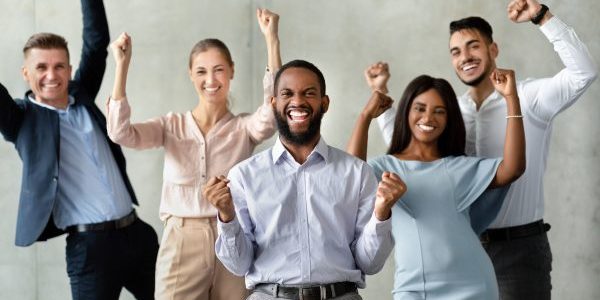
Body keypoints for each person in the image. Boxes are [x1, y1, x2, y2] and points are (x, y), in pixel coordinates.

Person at [372, 0, 597, 298]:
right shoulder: (449, 111)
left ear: (493, 49)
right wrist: (381, 98)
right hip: (462, 251)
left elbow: (583, 73)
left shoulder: (528, 97)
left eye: (473, 46)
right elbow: (412, 153)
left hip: (519, 250)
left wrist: (543, 17)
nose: (465, 57)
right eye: (456, 51)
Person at [107, 8, 283, 300]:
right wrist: (121, 66)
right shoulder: (170, 126)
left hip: (234, 237)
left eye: (218, 70)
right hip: (182, 240)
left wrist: (271, 39)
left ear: (231, 72)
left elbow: (275, 110)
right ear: (191, 75)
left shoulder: (244, 128)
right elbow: (119, 132)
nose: (210, 79)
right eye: (201, 71)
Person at [204, 59, 402, 300]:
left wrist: (381, 214)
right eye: (287, 93)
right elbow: (238, 264)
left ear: (325, 103)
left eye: (309, 93)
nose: (298, 101)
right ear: (273, 103)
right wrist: (226, 216)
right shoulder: (245, 176)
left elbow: (369, 263)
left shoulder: (357, 173)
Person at [0, 0, 159, 299]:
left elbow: (96, 42)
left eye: (59, 66)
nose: (51, 75)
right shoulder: (21, 120)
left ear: (70, 70)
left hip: (136, 234)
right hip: (91, 249)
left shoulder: (82, 93)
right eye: (41, 67)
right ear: (25, 73)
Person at [348, 69, 525, 299]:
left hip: (473, 285)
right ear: (406, 112)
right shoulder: (385, 168)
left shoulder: (459, 167)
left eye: (439, 111)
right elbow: (350, 178)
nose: (428, 118)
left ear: (449, 119)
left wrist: (512, 99)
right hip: (412, 289)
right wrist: (365, 117)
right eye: (420, 108)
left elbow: (513, 168)